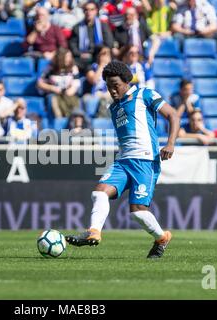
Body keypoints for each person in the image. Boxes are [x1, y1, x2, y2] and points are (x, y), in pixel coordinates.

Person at [65, 61, 180, 259]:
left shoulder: (145, 94)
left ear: (127, 81)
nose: (112, 90)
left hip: (145, 161)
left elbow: (173, 115)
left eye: (115, 85)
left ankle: (162, 238)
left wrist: (170, 143)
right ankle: (93, 232)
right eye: (108, 86)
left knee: (137, 212)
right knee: (99, 193)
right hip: (123, 161)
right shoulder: (114, 108)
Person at [68, 1, 114, 72]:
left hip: (99, 55)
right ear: (83, 11)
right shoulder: (77, 27)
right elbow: (72, 45)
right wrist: (81, 54)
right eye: (86, 9)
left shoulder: (103, 25)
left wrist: (100, 50)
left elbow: (109, 43)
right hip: (82, 58)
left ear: (96, 11)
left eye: (92, 9)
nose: (89, 12)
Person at [37, 48, 81, 118]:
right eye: (66, 57)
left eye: (70, 56)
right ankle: (59, 122)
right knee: (53, 99)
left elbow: (76, 84)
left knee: (73, 101)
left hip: (68, 94)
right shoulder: (50, 68)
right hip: (54, 94)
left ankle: (72, 121)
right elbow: (39, 83)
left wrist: (69, 91)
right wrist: (52, 88)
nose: (69, 59)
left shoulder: (73, 68)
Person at [82, 46, 113, 118]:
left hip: (108, 94)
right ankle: (99, 121)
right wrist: (102, 65)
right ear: (98, 55)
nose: (106, 56)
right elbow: (94, 80)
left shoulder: (113, 68)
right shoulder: (91, 67)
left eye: (108, 54)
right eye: (104, 53)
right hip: (94, 93)